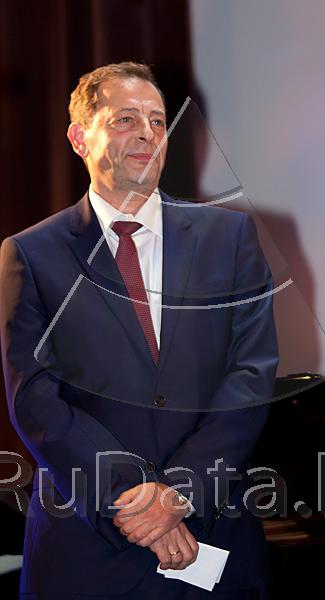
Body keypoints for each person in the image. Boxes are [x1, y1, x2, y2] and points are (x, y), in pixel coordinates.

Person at [0, 61, 279, 599]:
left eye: (157, 121)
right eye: (125, 119)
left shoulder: (231, 237)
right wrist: (133, 501)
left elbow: (252, 373)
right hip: (87, 549)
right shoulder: (31, 254)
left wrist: (179, 493)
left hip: (213, 538)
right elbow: (34, 398)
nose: (148, 133)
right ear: (79, 138)